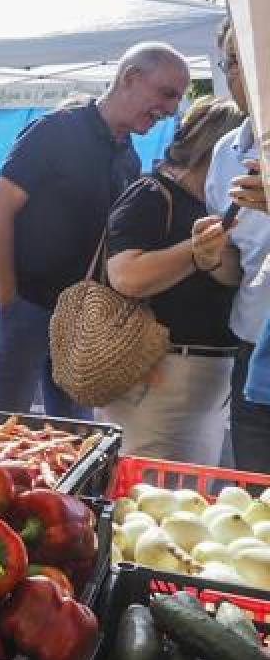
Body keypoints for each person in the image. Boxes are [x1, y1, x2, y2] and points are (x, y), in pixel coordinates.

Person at [0, 42, 190, 418]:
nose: (172, 108)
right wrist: (10, 301)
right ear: (130, 78)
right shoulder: (54, 131)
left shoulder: (130, 157)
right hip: (27, 304)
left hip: (82, 318)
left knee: (76, 436)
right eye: (166, 93)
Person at [97, 97, 245, 463]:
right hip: (157, 373)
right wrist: (195, 251)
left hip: (204, 377)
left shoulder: (219, 206)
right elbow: (126, 276)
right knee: (149, 492)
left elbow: (231, 277)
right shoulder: (152, 194)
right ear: (214, 148)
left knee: (184, 495)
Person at [204, 18, 270, 469]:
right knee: (255, 508)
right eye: (236, 59)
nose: (247, 69)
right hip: (253, 351)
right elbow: (235, 266)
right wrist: (210, 257)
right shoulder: (227, 149)